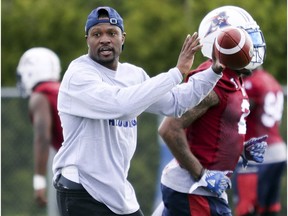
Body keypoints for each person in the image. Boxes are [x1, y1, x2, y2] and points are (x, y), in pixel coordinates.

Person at [52, 6, 226, 216]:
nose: (104, 39)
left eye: (112, 33)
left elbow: (175, 103)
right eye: (96, 34)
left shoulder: (133, 74)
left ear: (123, 38)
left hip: (117, 191)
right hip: (82, 188)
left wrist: (215, 71)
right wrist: (176, 73)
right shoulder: (78, 75)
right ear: (87, 40)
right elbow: (121, 106)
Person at [152, 6, 268, 216]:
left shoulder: (234, 76)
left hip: (205, 188)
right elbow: (169, 129)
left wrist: (239, 148)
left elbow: (214, 126)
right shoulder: (212, 82)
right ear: (225, 43)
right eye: (245, 39)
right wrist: (202, 175)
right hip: (193, 189)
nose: (253, 46)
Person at [232, 66, 287, 216]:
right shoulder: (271, 80)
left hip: (257, 156)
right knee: (269, 210)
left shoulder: (252, 83)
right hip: (278, 152)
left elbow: (235, 113)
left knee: (246, 210)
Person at [16, 47, 63, 216]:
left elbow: (43, 137)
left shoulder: (41, 95)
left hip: (84, 170)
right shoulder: (62, 89)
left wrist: (39, 181)